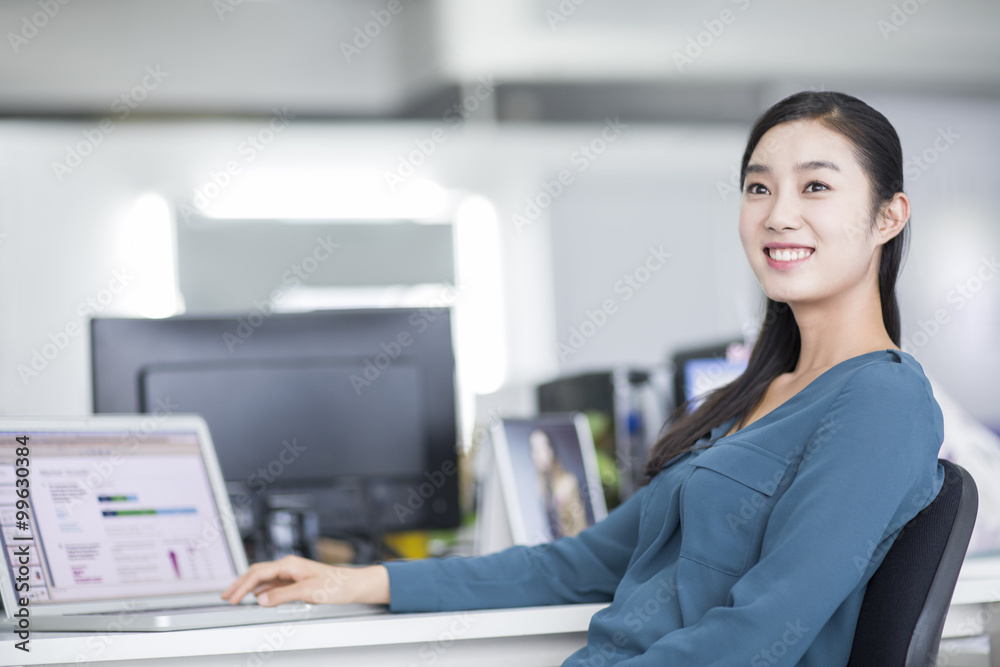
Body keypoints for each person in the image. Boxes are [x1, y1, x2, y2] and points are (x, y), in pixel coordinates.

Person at [222, 91, 945, 666]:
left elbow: (761, 633)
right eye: (758, 188)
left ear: (888, 216)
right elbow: (578, 563)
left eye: (815, 186)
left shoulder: (881, 400)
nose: (778, 214)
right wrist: (359, 580)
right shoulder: (748, 401)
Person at [529, 428, 588, 539]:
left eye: (543, 447)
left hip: (571, 545)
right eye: (535, 449)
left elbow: (580, 524)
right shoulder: (539, 485)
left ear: (552, 450)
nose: (539, 455)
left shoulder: (568, 483)